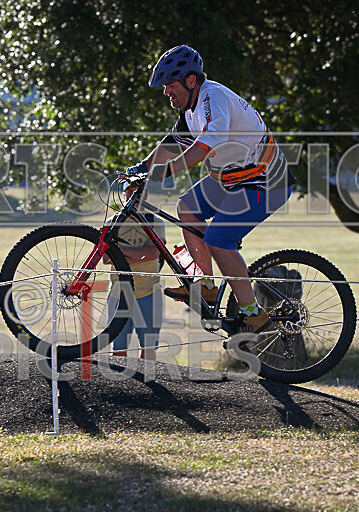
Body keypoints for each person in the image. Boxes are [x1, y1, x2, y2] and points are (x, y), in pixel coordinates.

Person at [127, 44, 296, 334]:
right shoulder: (190, 107)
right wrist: (140, 168)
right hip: (233, 178)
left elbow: (203, 148)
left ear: (191, 80)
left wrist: (163, 172)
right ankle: (206, 286)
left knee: (219, 240)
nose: (166, 91)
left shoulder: (213, 98)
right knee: (187, 208)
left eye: (170, 84)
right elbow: (172, 145)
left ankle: (253, 314)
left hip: (267, 181)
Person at [104, 182, 165, 360]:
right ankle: (121, 387)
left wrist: (118, 252)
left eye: (138, 192)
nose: (133, 196)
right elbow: (106, 258)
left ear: (145, 195)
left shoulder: (155, 222)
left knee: (149, 350)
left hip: (149, 292)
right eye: (129, 192)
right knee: (118, 350)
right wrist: (138, 254)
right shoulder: (111, 222)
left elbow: (152, 253)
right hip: (118, 294)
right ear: (123, 195)